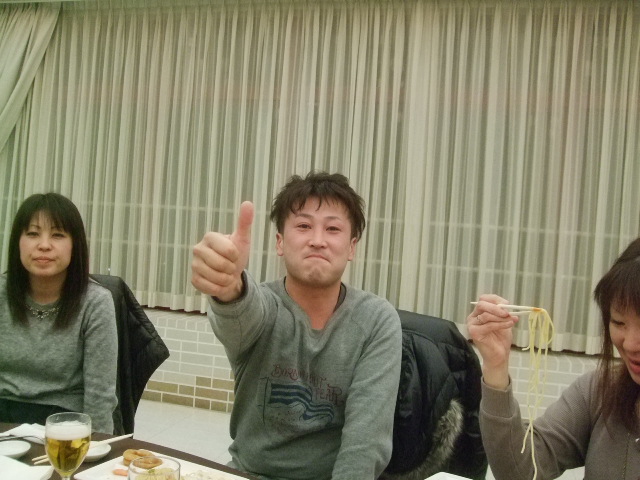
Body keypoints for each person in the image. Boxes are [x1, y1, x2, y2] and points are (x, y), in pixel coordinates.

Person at [191, 172, 402, 480]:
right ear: (280, 242)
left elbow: (365, 442)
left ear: (352, 247)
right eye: (303, 226)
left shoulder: (376, 320)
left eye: (332, 228)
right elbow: (240, 314)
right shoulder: (264, 306)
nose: (317, 240)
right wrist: (229, 288)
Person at [467, 238, 640, 480]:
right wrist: (496, 365)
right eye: (618, 322)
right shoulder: (598, 391)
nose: (630, 344)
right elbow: (520, 471)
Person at [0, 193, 118, 434]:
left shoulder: (95, 302)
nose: (44, 245)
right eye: (33, 234)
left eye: (57, 235)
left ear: (75, 244)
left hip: (64, 425)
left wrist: (95, 447)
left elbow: (100, 396)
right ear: (17, 242)